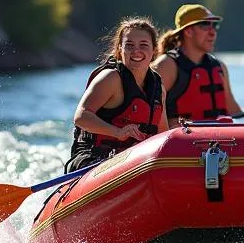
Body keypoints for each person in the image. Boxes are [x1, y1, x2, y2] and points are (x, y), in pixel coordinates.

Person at [65, 17, 168, 173]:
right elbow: (81, 117)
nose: (136, 51)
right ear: (120, 49)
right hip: (92, 159)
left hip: (134, 161)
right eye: (129, 45)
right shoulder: (111, 78)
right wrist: (117, 132)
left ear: (154, 50)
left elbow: (163, 134)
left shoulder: (158, 88)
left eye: (144, 45)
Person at [152, 3, 243, 127]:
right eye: (205, 25)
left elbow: (234, 111)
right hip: (181, 142)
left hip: (220, 141)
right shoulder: (166, 66)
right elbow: (148, 110)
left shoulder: (220, 67)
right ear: (188, 31)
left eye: (214, 25)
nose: (213, 32)